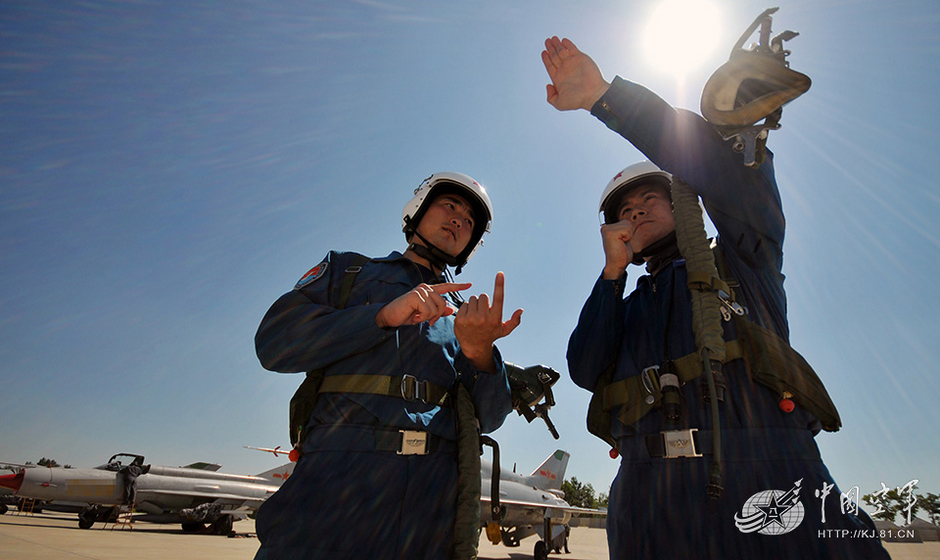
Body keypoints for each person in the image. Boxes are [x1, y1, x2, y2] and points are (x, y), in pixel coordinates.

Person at [542, 36, 891, 559]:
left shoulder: (744, 262)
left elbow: (731, 184)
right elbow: (586, 368)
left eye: (649, 199)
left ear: (684, 201)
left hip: (767, 478)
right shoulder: (623, 303)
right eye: (625, 209)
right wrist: (611, 276)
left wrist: (605, 98)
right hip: (646, 497)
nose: (635, 212)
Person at [252, 171, 522, 560]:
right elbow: (274, 343)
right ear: (418, 209)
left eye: (469, 221)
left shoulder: (466, 320)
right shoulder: (349, 273)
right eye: (449, 205)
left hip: (430, 507)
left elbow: (491, 419)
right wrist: (381, 316)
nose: (458, 220)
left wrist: (481, 353)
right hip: (333, 491)